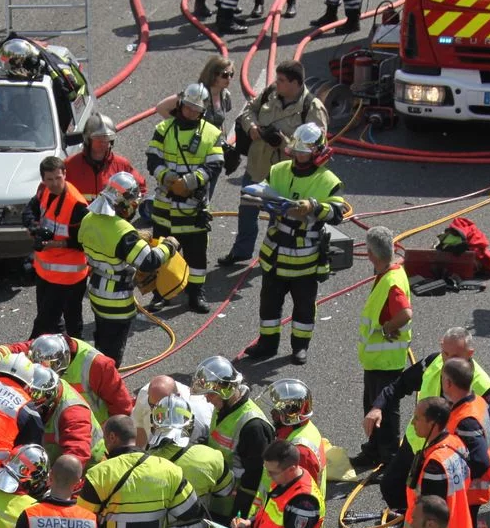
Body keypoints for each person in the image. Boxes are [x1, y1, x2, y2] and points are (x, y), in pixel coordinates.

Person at [240, 123, 345, 365]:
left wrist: (314, 207)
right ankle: (267, 344)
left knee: (304, 308)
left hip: (305, 258)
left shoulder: (328, 180)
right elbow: (263, 189)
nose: (299, 156)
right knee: (269, 305)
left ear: (317, 152)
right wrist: (261, 199)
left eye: (304, 152)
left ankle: (300, 347)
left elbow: (338, 212)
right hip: (275, 253)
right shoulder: (279, 170)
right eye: (296, 151)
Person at [366, 327, 490, 516]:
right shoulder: (433, 362)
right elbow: (400, 385)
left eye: (455, 356)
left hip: (445, 459)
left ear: (470, 354)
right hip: (417, 444)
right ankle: (407, 520)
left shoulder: (482, 386)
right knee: (391, 487)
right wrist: (377, 407)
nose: (448, 361)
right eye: (446, 353)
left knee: (435, 507)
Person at [221, 62, 329, 266]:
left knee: (279, 221)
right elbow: (247, 112)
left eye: (281, 80)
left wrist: (284, 143)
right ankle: (241, 252)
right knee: (247, 212)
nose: (275, 83)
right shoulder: (270, 93)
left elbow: (319, 150)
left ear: (295, 83)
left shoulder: (312, 108)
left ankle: (273, 257)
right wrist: (252, 127)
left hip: (285, 177)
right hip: (256, 166)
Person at [192, 356, 273, 528]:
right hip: (221, 504)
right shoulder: (226, 408)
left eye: (211, 395)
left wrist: (241, 520)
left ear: (226, 391)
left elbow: (254, 479)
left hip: (237, 510)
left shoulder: (252, 426)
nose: (207, 401)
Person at [78, 172, 173, 364]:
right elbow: (150, 261)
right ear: (123, 203)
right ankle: (105, 388)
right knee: (112, 357)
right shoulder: (123, 232)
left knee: (101, 347)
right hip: (117, 301)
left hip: (97, 292)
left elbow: (106, 243)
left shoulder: (89, 219)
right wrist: (169, 246)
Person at [147, 84, 224, 313]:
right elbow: (153, 160)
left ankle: (195, 294)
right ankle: (160, 293)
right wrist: (170, 179)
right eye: (188, 107)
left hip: (193, 206)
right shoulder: (163, 128)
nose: (191, 112)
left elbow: (215, 165)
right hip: (165, 205)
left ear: (202, 111)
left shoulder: (212, 133)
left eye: (196, 109)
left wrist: (189, 183)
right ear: (180, 104)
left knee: (196, 253)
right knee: (162, 251)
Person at [349, 226, 414, 471]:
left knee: (384, 411)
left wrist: (388, 327)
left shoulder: (392, 281)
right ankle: (373, 451)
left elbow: (405, 312)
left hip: (386, 361)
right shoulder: (392, 268)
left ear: (372, 256)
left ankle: (388, 459)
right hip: (377, 360)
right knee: (372, 408)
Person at [149, 395, 232, 528]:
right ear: (191, 424)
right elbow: (226, 493)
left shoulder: (143, 462)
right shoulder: (211, 456)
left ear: (154, 424)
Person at [0, 332, 133, 423]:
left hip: (91, 434)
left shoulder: (98, 365)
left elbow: (122, 407)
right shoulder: (42, 348)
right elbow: (17, 350)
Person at [25, 156, 90, 339]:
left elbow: (84, 241)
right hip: (46, 273)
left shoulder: (77, 206)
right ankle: (64, 353)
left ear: (65, 175)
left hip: (69, 278)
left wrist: (57, 243)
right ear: (43, 180)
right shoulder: (44, 192)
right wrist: (34, 228)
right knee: (53, 321)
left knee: (47, 324)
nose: (54, 183)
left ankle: (26, 356)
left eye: (58, 178)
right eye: (49, 179)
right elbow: (29, 211)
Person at [400, 399, 472, 528]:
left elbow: (428, 519)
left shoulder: (435, 466)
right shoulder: (456, 444)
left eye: (417, 418)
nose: (413, 423)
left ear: (432, 424)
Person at [441, 358, 490, 528]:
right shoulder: (478, 402)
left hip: (470, 490)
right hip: (477, 487)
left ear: (448, 383)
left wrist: (457, 481)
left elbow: (480, 461)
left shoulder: (466, 420)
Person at [29, 365, 105, 465]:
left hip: (85, 471)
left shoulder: (73, 414)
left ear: (49, 402)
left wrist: (55, 479)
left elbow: (76, 458)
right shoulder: (49, 389)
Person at [65, 113, 146, 201]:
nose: (103, 142)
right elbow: (54, 193)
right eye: (98, 138)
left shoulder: (121, 165)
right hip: (81, 215)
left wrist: (130, 205)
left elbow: (140, 188)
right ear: (88, 139)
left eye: (107, 138)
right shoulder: (70, 165)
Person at [154, 57, 236, 141]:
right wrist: (182, 126)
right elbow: (161, 108)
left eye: (231, 74)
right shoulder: (197, 93)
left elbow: (219, 121)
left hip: (211, 144)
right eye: (225, 75)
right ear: (213, 75)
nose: (229, 78)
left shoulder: (225, 95)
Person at [132, 374, 214, 447]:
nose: (155, 412)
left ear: (177, 397)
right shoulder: (145, 393)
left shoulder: (198, 416)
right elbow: (139, 425)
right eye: (152, 405)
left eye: (162, 407)